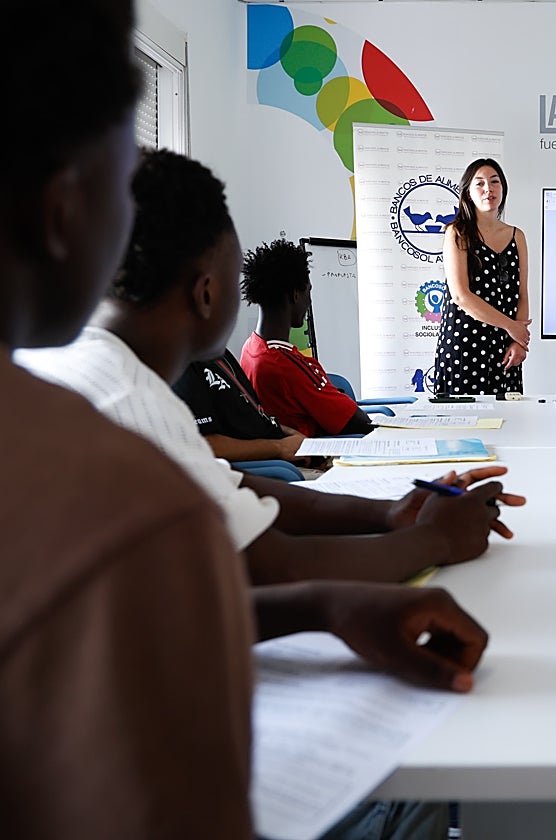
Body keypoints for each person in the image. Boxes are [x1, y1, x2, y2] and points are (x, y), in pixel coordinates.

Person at [0, 3, 489, 837]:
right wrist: (431, 539)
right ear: (67, 211)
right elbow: (243, 552)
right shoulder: (116, 469)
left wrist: (374, 539)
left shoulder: (79, 397)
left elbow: (230, 503)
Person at [19, 149, 525, 587]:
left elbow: (229, 486)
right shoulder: (131, 406)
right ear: (207, 292)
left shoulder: (93, 373)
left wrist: (388, 513)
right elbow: (277, 565)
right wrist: (433, 538)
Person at [238, 238, 374, 437]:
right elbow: (357, 422)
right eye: (308, 291)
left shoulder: (252, 347)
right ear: (295, 295)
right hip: (314, 460)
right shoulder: (283, 364)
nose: (309, 300)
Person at [432, 158, 530, 396]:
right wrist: (511, 327)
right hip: (464, 342)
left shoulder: (517, 236)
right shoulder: (458, 233)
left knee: (510, 424)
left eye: (495, 182)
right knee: (464, 425)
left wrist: (519, 343)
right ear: (467, 193)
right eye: (480, 183)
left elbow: (522, 294)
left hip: (505, 346)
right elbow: (460, 296)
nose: (489, 189)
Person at [173, 348, 314, 466]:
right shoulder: (183, 362)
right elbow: (206, 443)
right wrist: (280, 447)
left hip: (280, 452)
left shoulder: (218, 353)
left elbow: (249, 416)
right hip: (269, 466)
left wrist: (289, 433)